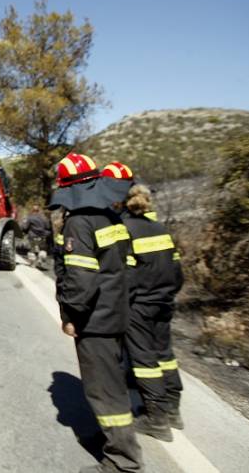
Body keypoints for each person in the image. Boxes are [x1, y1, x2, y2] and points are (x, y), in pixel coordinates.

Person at [48, 153, 142, 473]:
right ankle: (112, 441)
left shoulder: (78, 222)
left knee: (105, 391)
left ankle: (123, 462)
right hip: (116, 313)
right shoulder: (110, 216)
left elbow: (79, 280)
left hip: (95, 320)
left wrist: (70, 316)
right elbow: (125, 266)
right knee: (114, 382)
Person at [109, 171, 184, 441]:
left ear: (122, 203)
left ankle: (157, 419)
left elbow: (125, 275)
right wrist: (168, 293)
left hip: (139, 305)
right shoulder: (161, 229)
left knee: (144, 361)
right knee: (165, 354)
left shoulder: (124, 229)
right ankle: (174, 410)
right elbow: (177, 271)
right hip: (165, 301)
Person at [22, 204, 52, 268]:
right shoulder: (44, 218)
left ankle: (32, 264)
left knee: (32, 250)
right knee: (42, 249)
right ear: (39, 210)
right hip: (42, 237)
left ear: (32, 210)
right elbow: (48, 227)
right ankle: (40, 259)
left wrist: (24, 231)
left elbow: (25, 227)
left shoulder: (30, 217)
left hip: (32, 236)